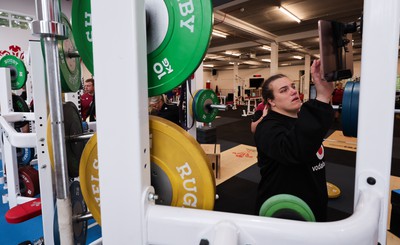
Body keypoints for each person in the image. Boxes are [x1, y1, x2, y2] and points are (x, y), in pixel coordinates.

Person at [254, 59, 334, 222]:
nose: (293, 91)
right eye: (284, 90)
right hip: (286, 211)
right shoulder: (267, 128)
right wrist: (323, 97)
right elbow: (294, 151)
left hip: (314, 199)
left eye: (292, 87)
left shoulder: (301, 119)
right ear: (271, 101)